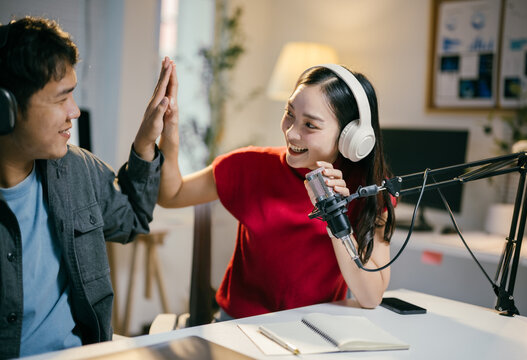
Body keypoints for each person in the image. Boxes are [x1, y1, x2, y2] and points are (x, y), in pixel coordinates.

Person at [157, 63, 395, 320]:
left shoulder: (369, 190)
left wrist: (334, 213)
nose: (291, 132)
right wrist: (169, 131)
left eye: (310, 125)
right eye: (289, 113)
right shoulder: (248, 166)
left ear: (350, 137)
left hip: (315, 327)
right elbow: (172, 194)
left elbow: (371, 297)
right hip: (240, 325)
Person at [0, 17, 178, 358]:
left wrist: (145, 141)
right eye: (60, 98)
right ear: (4, 109)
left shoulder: (77, 168)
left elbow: (133, 219)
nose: (74, 112)